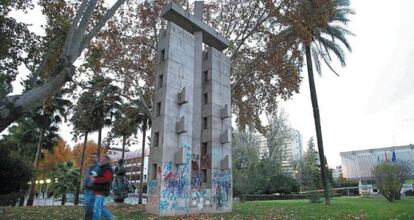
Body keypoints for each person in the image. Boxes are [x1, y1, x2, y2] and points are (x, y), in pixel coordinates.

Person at [91, 154, 114, 220]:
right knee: (99, 207)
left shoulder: (108, 169)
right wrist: (95, 176)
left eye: (102, 159)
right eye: (100, 159)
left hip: (101, 191)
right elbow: (101, 177)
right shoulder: (102, 168)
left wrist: (95, 179)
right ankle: (111, 218)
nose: (100, 160)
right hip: (98, 191)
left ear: (106, 160)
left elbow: (106, 179)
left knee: (96, 209)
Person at [84, 153, 100, 220]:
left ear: (98, 158)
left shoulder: (99, 167)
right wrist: (84, 184)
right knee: (87, 204)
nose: (93, 159)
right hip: (87, 188)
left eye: (94, 157)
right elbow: (87, 177)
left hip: (93, 189)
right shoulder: (90, 167)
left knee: (90, 205)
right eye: (92, 157)